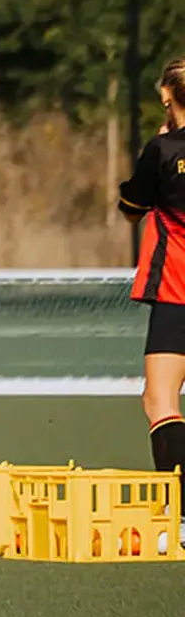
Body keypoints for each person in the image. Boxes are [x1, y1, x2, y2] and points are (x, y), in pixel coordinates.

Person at [118, 58, 185, 482]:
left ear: (165, 95)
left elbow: (131, 209)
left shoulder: (162, 151)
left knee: (160, 400)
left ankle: (182, 508)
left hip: (176, 290)